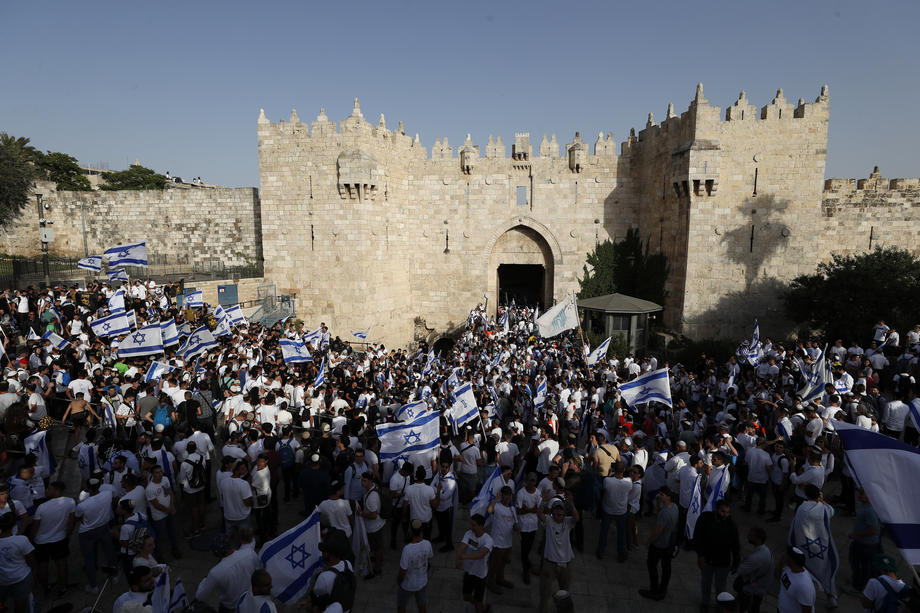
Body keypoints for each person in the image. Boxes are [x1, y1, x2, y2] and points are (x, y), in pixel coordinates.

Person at [195, 532, 262, 613]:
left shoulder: (215, 572)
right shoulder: (249, 553)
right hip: (250, 601)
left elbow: (200, 596)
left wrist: (205, 580)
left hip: (230, 608)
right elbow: (259, 570)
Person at [693, 499, 740, 613]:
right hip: (708, 560)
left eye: (727, 512)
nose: (725, 515)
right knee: (706, 583)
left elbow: (735, 545)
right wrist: (700, 555)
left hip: (723, 562)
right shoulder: (705, 519)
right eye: (723, 512)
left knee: (721, 586)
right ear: (716, 510)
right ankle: (705, 603)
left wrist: (735, 563)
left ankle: (721, 605)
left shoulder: (731, 525)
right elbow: (697, 537)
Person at [73, 476, 117, 594]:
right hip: (103, 527)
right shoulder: (107, 494)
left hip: (87, 532)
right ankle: (114, 576)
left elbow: (77, 517)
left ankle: (93, 585)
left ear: (88, 488)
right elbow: (114, 499)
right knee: (109, 552)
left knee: (89, 558)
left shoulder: (83, 505)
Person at [30, 481, 75, 597]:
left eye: (48, 489)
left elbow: (35, 527)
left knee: (43, 565)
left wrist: (32, 539)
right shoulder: (70, 502)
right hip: (60, 538)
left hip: (41, 541)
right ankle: (63, 587)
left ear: (56, 490)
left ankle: (46, 589)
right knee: (61, 564)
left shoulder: (42, 507)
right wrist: (68, 534)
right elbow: (72, 520)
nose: (46, 491)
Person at [537, 498, 579, 613]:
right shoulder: (549, 521)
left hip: (566, 564)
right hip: (549, 564)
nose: (558, 516)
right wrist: (543, 503)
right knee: (545, 593)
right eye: (556, 513)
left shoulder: (568, 521)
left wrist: (572, 505)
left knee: (564, 593)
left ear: (564, 513)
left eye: (561, 513)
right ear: (552, 513)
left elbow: (576, 518)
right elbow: (539, 514)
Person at [639, 486, 679, 601]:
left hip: (659, 545)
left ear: (668, 497)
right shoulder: (674, 507)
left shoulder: (665, 513)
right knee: (666, 567)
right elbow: (659, 511)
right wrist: (658, 502)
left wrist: (649, 541)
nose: (659, 496)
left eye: (662, 495)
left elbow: (657, 530)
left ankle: (654, 590)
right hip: (669, 544)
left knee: (652, 566)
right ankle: (662, 590)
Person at [456, 513, 492, 613]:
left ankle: (482, 608)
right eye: (470, 524)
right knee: (466, 596)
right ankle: (480, 606)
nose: (471, 527)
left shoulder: (488, 540)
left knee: (478, 602)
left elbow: (480, 555)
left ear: (481, 526)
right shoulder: (469, 533)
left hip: (480, 575)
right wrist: (459, 557)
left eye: (473, 525)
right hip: (468, 571)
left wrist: (463, 557)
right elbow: (462, 546)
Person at [597, 461, 631, 562]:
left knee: (604, 531)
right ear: (624, 470)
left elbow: (605, 487)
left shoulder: (607, 480)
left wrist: (609, 474)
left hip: (608, 510)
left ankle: (601, 551)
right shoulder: (628, 481)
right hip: (621, 511)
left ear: (613, 469)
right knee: (621, 533)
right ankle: (622, 553)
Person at [848, 489, 882, 591]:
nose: (859, 495)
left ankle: (859, 586)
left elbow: (874, 529)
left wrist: (856, 535)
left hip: (865, 544)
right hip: (864, 543)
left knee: (860, 565)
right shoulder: (866, 507)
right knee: (863, 565)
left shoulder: (869, 511)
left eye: (862, 494)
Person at [0, 512, 34, 613]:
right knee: (20, 605)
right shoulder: (21, 540)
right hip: (21, 577)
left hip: (2, 579)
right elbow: (30, 560)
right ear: (14, 525)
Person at [486, 485, 517, 594]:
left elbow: (514, 524)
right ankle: (490, 582)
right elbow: (489, 510)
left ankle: (500, 579)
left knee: (503, 563)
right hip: (497, 542)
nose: (508, 497)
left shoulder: (512, 509)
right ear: (502, 495)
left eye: (509, 494)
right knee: (494, 564)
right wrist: (496, 499)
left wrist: (517, 528)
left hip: (507, 542)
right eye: (505, 494)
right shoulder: (497, 506)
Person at [397, 519, 434, 613]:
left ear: (410, 530)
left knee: (401, 606)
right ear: (421, 530)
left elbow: (403, 571)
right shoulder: (427, 544)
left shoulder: (407, 549)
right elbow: (429, 558)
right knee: (422, 606)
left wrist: (399, 581)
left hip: (407, 585)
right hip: (422, 583)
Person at [146, 464, 181, 560]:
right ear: (152, 474)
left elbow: (169, 493)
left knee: (172, 531)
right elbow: (155, 504)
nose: (160, 474)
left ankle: (175, 548)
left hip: (169, 511)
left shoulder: (165, 479)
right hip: (159, 516)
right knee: (159, 536)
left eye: (161, 472)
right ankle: (159, 555)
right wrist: (169, 510)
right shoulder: (150, 489)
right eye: (157, 473)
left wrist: (171, 505)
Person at [733, 527, 772, 613]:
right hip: (759, 589)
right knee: (754, 608)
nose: (748, 536)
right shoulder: (766, 550)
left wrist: (743, 561)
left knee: (740, 608)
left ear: (758, 539)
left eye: (751, 535)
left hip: (750, 591)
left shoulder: (756, 558)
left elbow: (740, 570)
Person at [357, 471, 385, 578]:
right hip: (376, 526)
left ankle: (377, 569)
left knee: (377, 548)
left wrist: (361, 514)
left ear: (370, 482)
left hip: (374, 528)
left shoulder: (372, 497)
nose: (362, 483)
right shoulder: (371, 489)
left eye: (364, 481)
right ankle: (378, 559)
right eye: (361, 480)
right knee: (376, 547)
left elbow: (373, 515)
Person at [776, 546, 816, 613]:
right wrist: (780, 562)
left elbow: (807, 610)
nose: (783, 554)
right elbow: (776, 576)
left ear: (792, 560)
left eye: (786, 554)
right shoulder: (788, 568)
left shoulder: (803, 585)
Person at [220, 459, 254, 533]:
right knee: (246, 539)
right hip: (242, 517)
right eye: (243, 469)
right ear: (236, 471)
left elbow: (223, 498)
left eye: (245, 467)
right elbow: (248, 502)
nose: (245, 470)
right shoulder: (244, 484)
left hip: (228, 516)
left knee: (230, 540)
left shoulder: (223, 482)